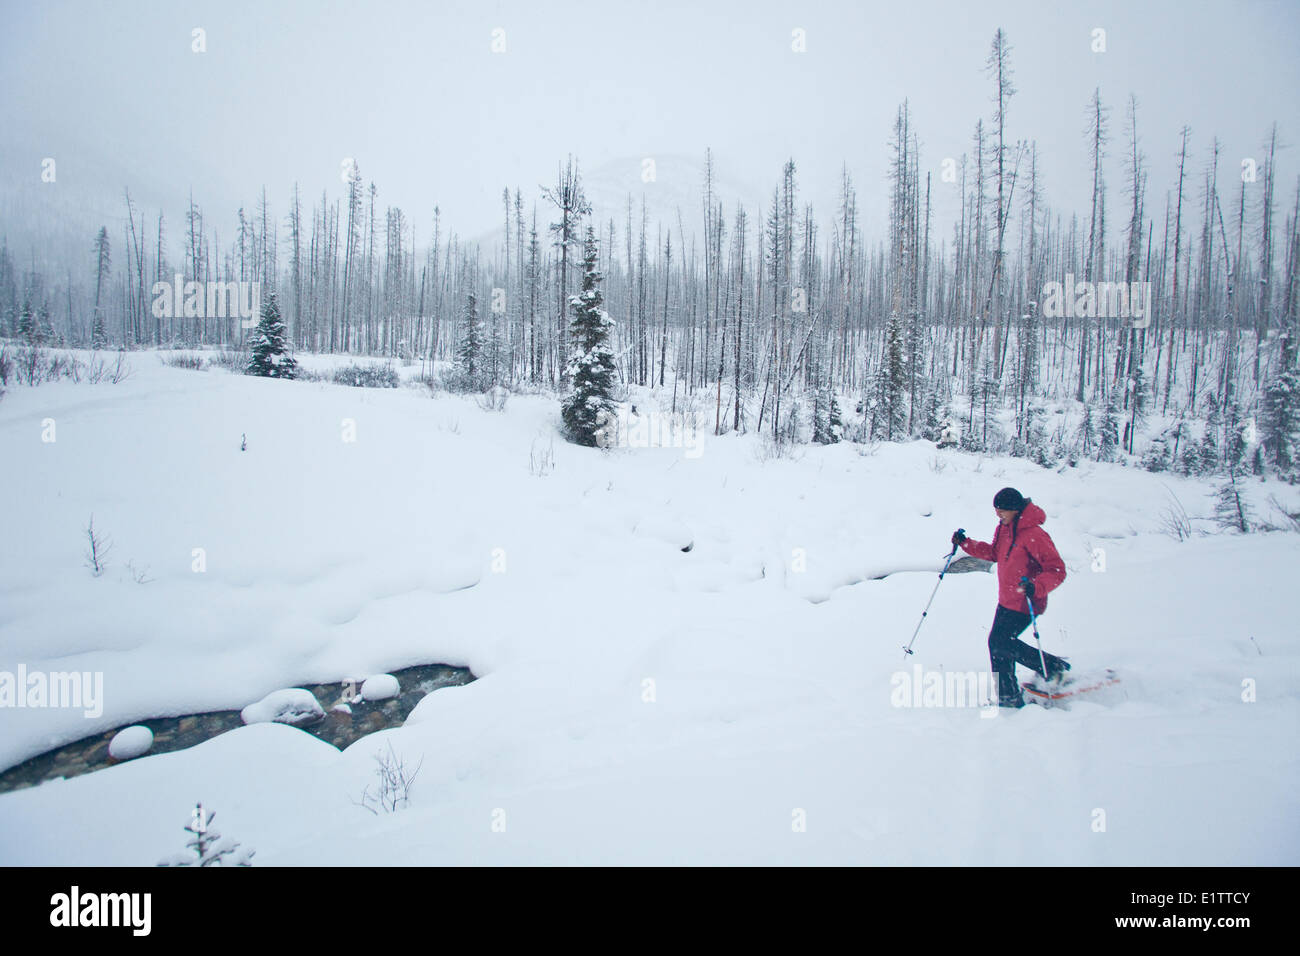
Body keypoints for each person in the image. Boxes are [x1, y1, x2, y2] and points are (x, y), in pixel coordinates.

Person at [952, 487, 1068, 708]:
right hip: (1006, 600)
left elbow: (1057, 570)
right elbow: (994, 553)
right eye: (996, 511)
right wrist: (966, 544)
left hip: (1026, 602)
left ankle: (1051, 667)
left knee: (1000, 643)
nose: (999, 515)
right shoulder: (1005, 528)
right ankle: (1008, 697)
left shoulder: (1035, 535)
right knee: (998, 645)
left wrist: (1036, 586)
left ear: (1015, 509)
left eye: (1002, 511)